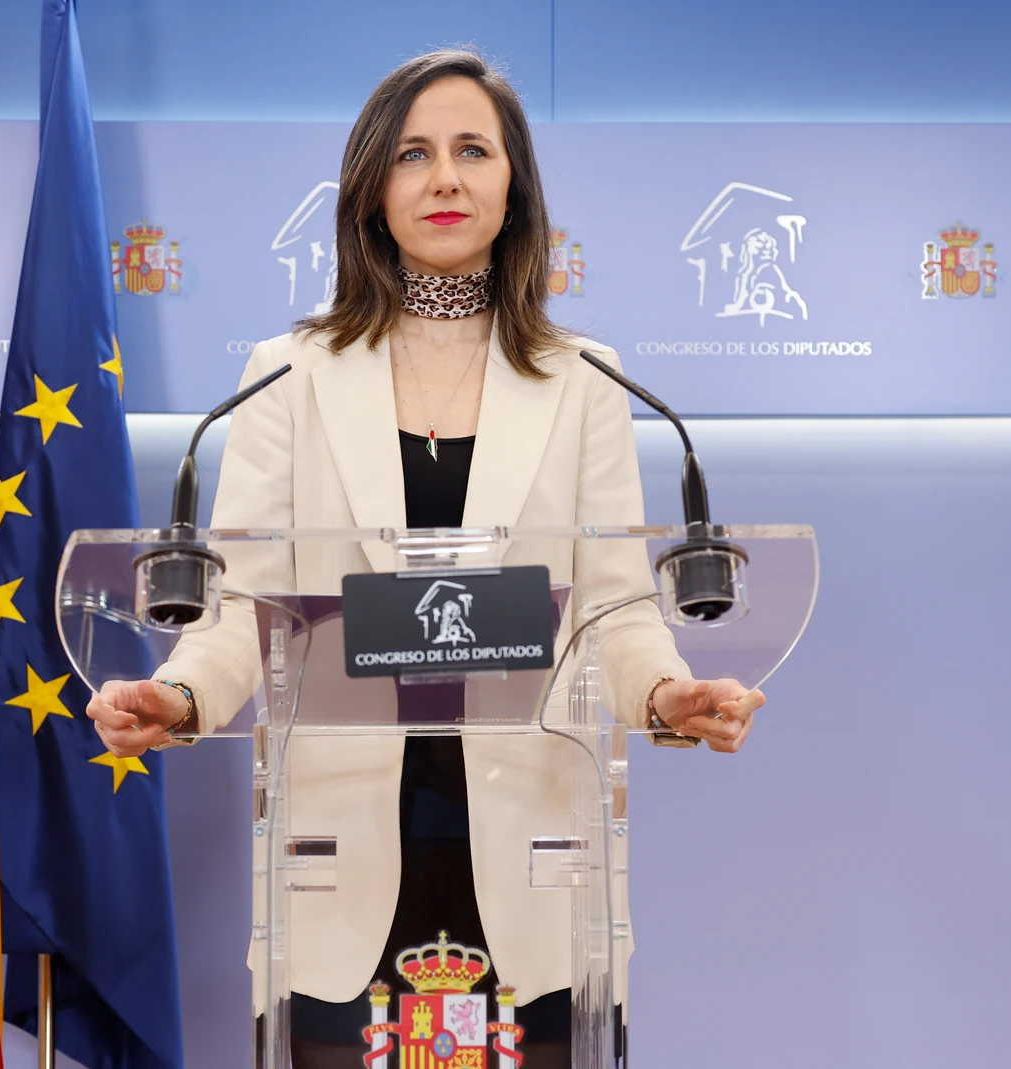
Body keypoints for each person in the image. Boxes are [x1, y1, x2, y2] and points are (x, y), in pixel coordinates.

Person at [86, 50, 766, 1065]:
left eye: (471, 151)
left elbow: (618, 612)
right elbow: (246, 607)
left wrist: (667, 693)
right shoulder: (286, 376)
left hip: (534, 858)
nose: (444, 177)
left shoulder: (583, 379)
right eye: (413, 154)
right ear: (372, 188)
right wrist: (179, 699)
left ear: (512, 185)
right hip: (339, 862)